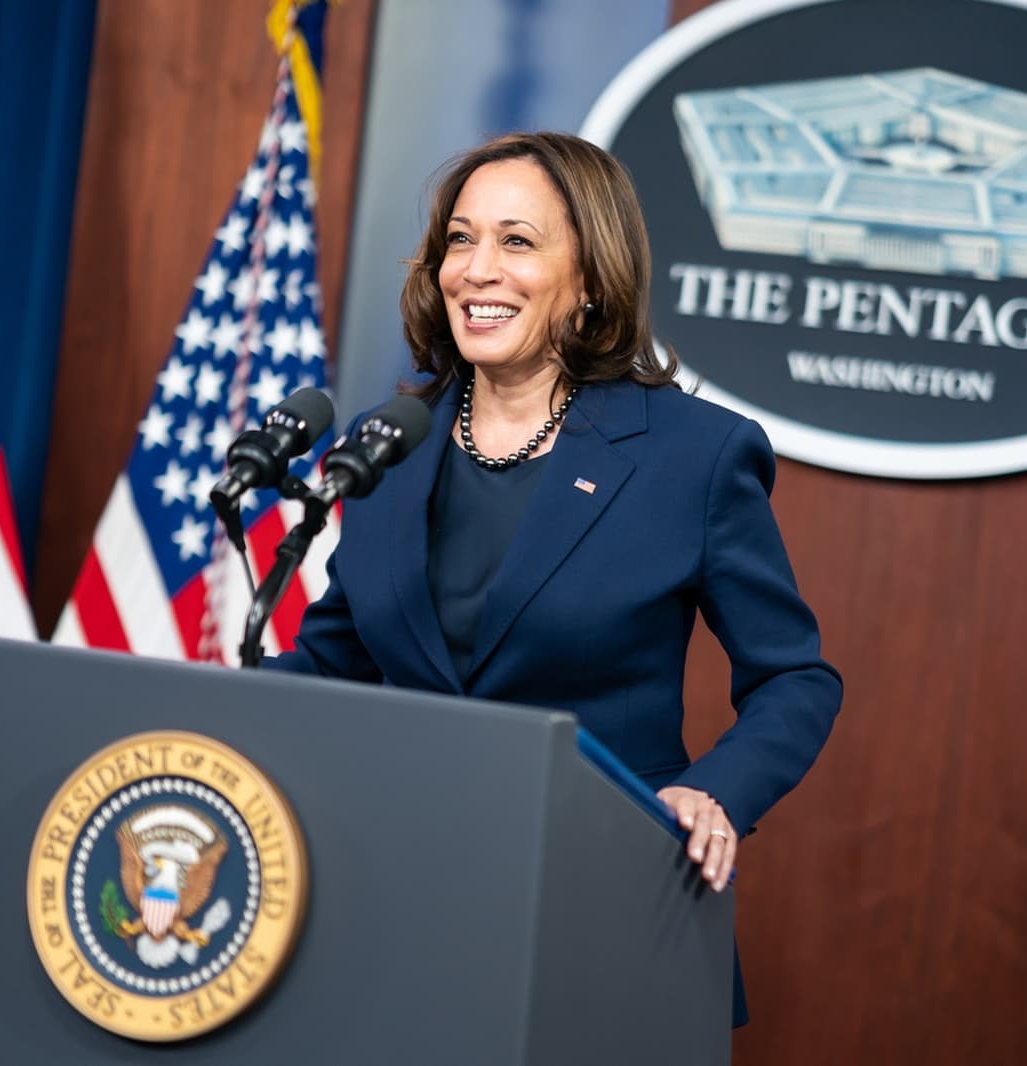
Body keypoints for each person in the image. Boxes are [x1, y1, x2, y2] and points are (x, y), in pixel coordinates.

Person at [266, 131, 842, 1018]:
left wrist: (712, 793)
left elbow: (795, 680)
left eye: (518, 242)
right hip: (390, 909)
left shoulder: (693, 456)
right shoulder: (390, 446)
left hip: (603, 905)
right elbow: (334, 662)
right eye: (461, 240)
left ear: (591, 281)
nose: (477, 269)